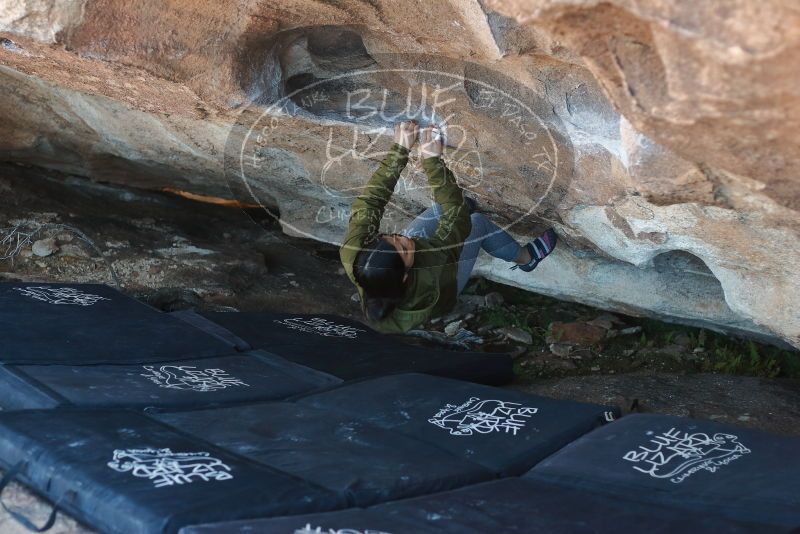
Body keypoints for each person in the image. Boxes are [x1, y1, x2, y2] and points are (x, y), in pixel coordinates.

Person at [340, 120, 557, 333]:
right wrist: (432, 160)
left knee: (440, 211)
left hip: (408, 274)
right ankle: (526, 258)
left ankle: (461, 210)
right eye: (404, 249)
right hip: (446, 286)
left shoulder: (354, 254)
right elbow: (456, 217)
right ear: (406, 274)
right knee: (475, 223)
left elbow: (370, 201)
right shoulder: (433, 271)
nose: (404, 238)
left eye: (389, 237)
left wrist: (399, 150)